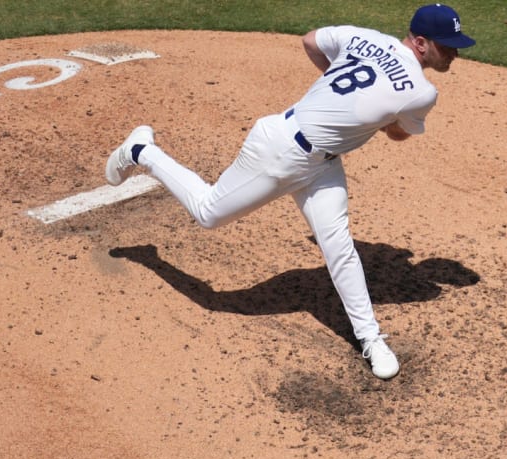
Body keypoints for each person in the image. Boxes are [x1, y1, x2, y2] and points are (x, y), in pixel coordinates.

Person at [103, 4, 475, 380]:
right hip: (279, 153)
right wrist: (368, 113)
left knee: (339, 247)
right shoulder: (421, 92)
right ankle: (141, 151)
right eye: (449, 46)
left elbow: (311, 40)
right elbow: (398, 133)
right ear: (423, 44)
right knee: (208, 214)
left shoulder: (363, 36)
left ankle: (370, 338)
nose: (456, 53)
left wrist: (338, 95)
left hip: (322, 164)